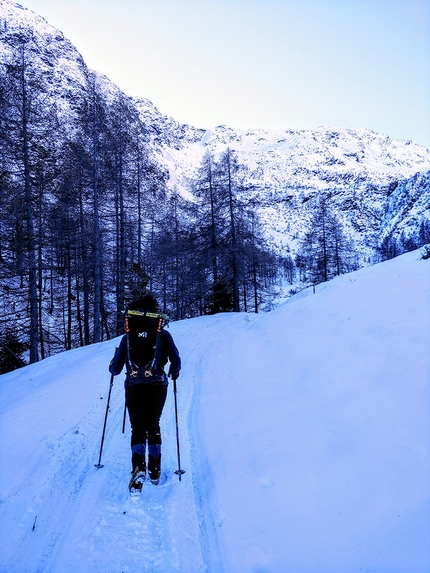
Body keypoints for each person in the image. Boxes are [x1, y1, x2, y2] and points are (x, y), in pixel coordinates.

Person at [109, 294, 181, 483]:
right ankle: (155, 471)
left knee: (137, 427)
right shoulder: (162, 335)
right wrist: (174, 372)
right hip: (157, 386)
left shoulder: (128, 336)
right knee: (153, 424)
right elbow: (176, 361)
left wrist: (112, 364)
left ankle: (138, 467)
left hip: (133, 387)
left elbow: (115, 369)